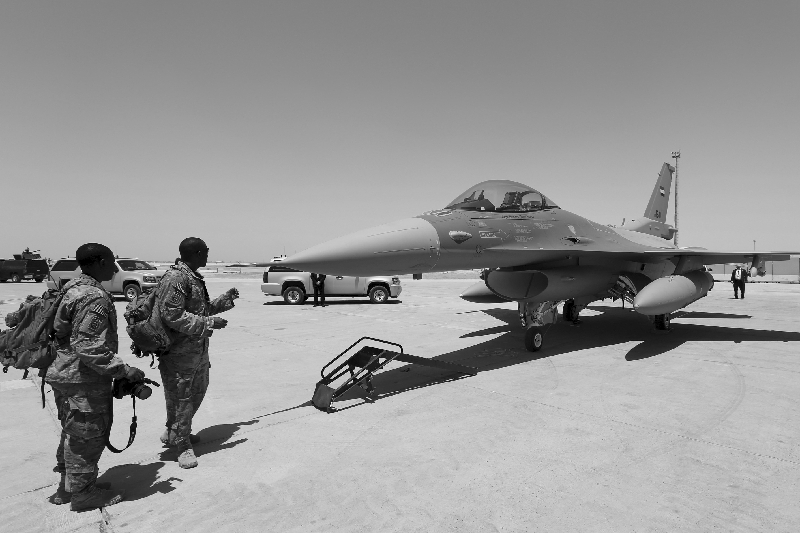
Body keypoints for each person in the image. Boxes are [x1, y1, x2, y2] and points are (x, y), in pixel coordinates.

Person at [46, 243, 146, 511]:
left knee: (72, 431)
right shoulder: (94, 297)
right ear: (99, 261)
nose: (114, 267)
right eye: (112, 261)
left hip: (65, 373)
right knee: (86, 436)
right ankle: (83, 494)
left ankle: (66, 489)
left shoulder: (71, 288)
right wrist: (125, 371)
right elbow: (88, 345)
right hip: (82, 378)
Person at [156, 238, 238, 468]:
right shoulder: (176, 278)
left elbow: (199, 310)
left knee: (196, 392)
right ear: (197, 252)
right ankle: (182, 446)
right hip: (178, 354)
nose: (208, 256)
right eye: (206, 252)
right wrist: (209, 322)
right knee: (182, 398)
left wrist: (223, 302)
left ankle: (175, 431)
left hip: (196, 351)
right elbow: (171, 316)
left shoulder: (192, 277)